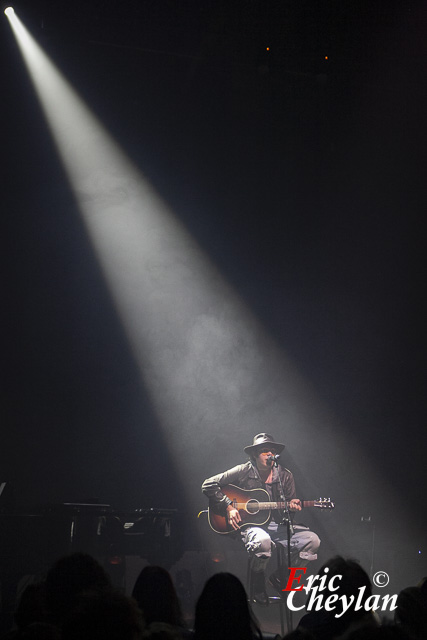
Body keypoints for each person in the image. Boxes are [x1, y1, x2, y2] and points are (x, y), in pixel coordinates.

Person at [201, 433, 320, 606]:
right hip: (251, 526)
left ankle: (282, 578)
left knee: (312, 541)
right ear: (255, 455)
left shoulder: (285, 476)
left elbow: (287, 512)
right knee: (263, 541)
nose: (269, 454)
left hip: (278, 525)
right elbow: (208, 484)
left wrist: (291, 507)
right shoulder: (243, 470)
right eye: (264, 451)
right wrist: (229, 507)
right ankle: (258, 581)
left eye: (272, 451)